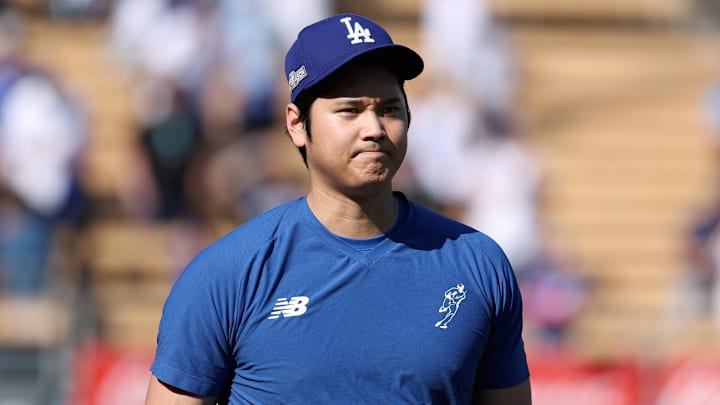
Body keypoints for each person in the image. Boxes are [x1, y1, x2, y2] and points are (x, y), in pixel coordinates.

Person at [145, 14, 531, 404]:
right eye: (350, 110)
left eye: (390, 109)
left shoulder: (478, 264)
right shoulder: (227, 275)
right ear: (297, 124)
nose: (375, 128)